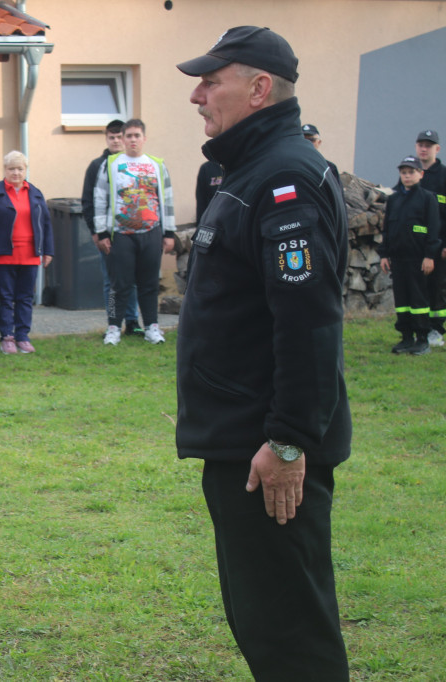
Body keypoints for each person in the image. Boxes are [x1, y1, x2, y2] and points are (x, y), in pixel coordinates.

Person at [176, 26, 352, 680]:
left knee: (289, 636)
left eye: (210, 80)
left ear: (257, 89)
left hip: (268, 455)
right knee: (271, 623)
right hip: (242, 443)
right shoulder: (249, 171)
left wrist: (287, 442)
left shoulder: (283, 178)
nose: (197, 95)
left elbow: (307, 322)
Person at [93, 119, 176, 346]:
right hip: (121, 234)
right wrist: (101, 233)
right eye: (128, 136)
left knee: (149, 283)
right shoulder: (110, 164)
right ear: (123, 138)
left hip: (151, 232)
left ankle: (152, 327)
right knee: (118, 285)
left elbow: (167, 199)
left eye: (136, 135)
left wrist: (169, 232)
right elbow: (100, 198)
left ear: (144, 138)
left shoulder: (156, 165)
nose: (132, 140)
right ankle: (113, 328)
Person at [0, 150, 54, 354]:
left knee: (25, 297)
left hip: (29, 254)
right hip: (2, 254)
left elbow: (46, 224)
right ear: (5, 170)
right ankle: (7, 337)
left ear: (25, 170)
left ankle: (23, 336)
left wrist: (48, 251)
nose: (16, 173)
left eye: (20, 169)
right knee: (4, 297)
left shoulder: (35, 193)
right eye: (12, 169)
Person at [81, 119, 141, 336]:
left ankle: (132, 321)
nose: (116, 141)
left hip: (133, 232)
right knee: (112, 281)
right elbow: (88, 202)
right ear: (106, 139)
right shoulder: (97, 166)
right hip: (108, 234)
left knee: (131, 280)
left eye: (119, 137)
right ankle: (113, 323)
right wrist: (96, 232)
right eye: (112, 137)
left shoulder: (134, 164)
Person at [378, 155, 441, 355]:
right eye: (403, 173)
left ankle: (422, 338)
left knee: (418, 299)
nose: (407, 176)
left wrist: (430, 255)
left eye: (411, 172)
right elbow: (387, 228)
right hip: (398, 258)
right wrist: (384, 254)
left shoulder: (427, 198)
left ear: (420, 174)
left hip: (418, 259)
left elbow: (433, 229)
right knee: (402, 300)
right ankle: (406, 337)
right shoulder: (394, 199)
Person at [415, 129, 446, 346]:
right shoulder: (413, 174)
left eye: (429, 145)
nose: (424, 149)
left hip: (439, 245)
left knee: (437, 287)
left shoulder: (444, 175)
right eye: (421, 145)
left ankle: (437, 330)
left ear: (437, 149)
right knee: (419, 288)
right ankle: (421, 329)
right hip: (415, 245)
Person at [194, 160, 223, 225]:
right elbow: (201, 200)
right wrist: (200, 225)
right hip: (212, 223)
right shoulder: (206, 168)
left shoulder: (238, 167)